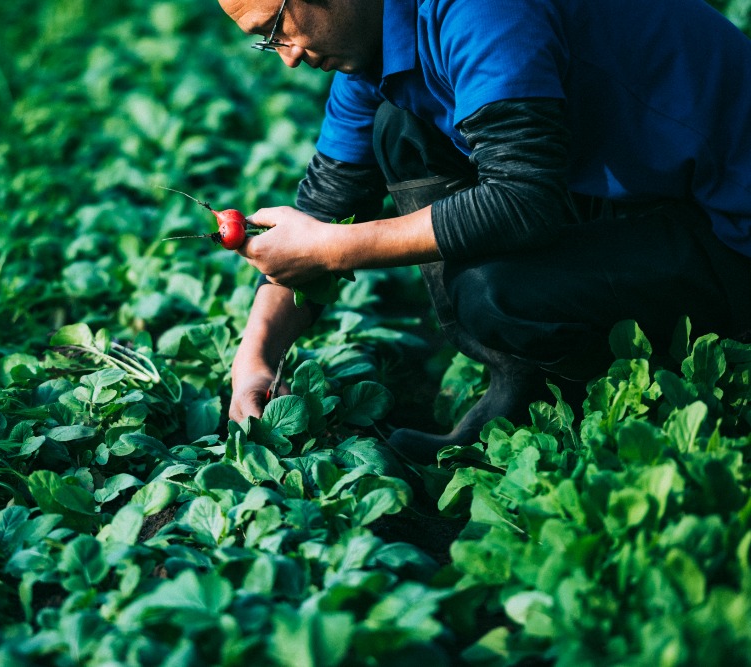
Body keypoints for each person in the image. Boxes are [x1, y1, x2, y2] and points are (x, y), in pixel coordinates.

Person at [218, 0, 751, 464]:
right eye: (267, 43)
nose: (285, 54)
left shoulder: (480, 8)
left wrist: (332, 250)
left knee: (495, 294)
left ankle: (616, 399)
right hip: (646, 193)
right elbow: (326, 206)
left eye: (278, 27)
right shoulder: (372, 53)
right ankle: (520, 383)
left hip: (728, 227)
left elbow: (523, 201)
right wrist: (256, 358)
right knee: (401, 128)